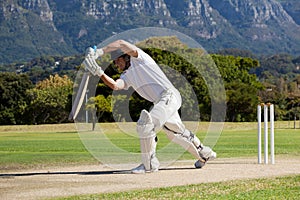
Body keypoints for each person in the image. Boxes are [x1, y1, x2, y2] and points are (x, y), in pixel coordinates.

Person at [83, 39, 216, 174]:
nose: (115, 64)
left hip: (168, 96)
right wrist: (99, 72)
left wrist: (98, 52)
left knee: (146, 125)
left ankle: (149, 165)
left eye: (117, 60)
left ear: (125, 56)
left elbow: (122, 43)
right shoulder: (126, 75)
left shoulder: (140, 59)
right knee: (175, 133)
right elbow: (115, 86)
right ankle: (204, 153)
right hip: (162, 101)